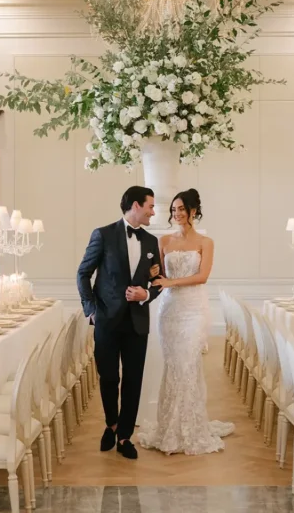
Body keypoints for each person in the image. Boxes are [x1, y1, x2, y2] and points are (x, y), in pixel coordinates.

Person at [138, 189, 235, 455]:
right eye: (173, 210)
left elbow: (202, 276)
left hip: (194, 309)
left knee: (189, 365)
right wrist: (155, 273)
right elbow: (158, 274)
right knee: (173, 366)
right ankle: (170, 427)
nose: (176, 214)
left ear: (193, 211)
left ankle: (191, 429)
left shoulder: (206, 242)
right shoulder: (164, 241)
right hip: (170, 311)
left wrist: (171, 281)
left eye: (181, 209)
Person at [76, 186, 163, 460]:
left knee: (133, 380)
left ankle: (125, 436)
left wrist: (146, 294)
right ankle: (110, 424)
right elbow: (83, 273)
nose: (153, 211)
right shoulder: (102, 234)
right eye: (150, 206)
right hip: (106, 321)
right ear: (136, 205)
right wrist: (90, 309)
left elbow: (158, 281)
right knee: (109, 377)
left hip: (137, 322)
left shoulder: (151, 241)